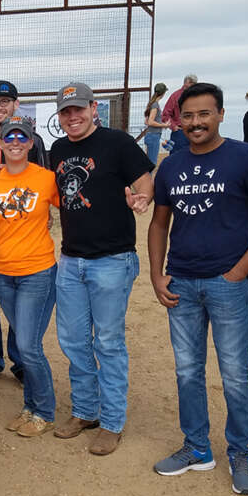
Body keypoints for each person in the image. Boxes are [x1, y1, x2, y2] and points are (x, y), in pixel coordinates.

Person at [148, 82, 248, 495]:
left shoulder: (245, 157)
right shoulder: (171, 165)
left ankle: (239, 451)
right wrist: (157, 274)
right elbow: (159, 223)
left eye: (204, 114)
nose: (195, 123)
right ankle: (196, 448)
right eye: (188, 116)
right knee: (187, 370)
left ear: (221, 115)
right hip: (182, 283)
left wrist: (239, 271)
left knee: (234, 373)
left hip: (228, 284)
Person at [49, 83, 154, 455]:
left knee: (108, 342)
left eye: (79, 109)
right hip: (71, 259)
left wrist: (142, 198)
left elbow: (145, 181)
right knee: (74, 340)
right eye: (65, 111)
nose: (72, 117)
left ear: (94, 108)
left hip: (111, 259)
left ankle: (111, 421)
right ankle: (85, 411)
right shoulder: (58, 150)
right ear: (59, 116)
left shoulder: (118, 142)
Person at [0, 116, 60, 438]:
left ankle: (44, 411)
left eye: (22, 138)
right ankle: (29, 407)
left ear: (31, 143)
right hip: (4, 273)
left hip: (38, 272)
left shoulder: (46, 178)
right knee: (22, 341)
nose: (15, 142)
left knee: (28, 347)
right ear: (0, 144)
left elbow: (74, 208)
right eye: (9, 138)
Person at [0, 80, 46, 385]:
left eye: (5, 101)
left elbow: (45, 181)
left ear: (16, 104)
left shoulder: (33, 141)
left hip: (22, 233)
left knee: (20, 303)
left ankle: (19, 360)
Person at [161, 73, 197, 152]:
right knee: (176, 159)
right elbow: (165, 114)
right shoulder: (175, 96)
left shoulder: (197, 97)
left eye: (193, 84)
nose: (191, 86)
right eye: (190, 83)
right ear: (185, 83)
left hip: (195, 131)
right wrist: (174, 127)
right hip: (179, 133)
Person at [143, 82, 169, 166]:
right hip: (154, 136)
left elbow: (146, 121)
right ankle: (148, 179)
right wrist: (164, 125)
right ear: (163, 93)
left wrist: (161, 124)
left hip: (150, 135)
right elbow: (150, 122)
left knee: (149, 162)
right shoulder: (155, 105)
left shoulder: (151, 104)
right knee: (152, 163)